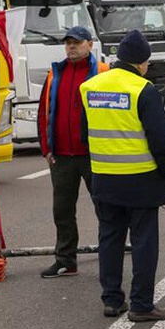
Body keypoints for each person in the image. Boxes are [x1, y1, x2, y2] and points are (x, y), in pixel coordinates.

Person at [80, 30, 165, 321]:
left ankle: (111, 300)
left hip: (103, 177)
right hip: (141, 179)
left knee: (110, 239)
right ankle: (141, 305)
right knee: (144, 242)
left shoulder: (90, 87)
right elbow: (160, 139)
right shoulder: (143, 89)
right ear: (141, 62)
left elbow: (85, 133)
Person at [36, 26, 109, 278]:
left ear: (90, 44)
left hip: (93, 155)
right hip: (61, 157)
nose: (71, 47)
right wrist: (46, 148)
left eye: (76, 42)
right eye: (68, 43)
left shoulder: (103, 72)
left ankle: (110, 258)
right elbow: (44, 112)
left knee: (105, 209)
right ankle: (66, 261)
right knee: (63, 212)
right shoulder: (55, 73)